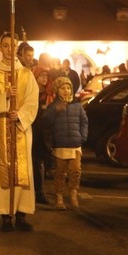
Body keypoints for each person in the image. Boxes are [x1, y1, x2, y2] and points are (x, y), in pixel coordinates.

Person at [0, 32, 38, 232]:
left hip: (20, 127)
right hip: (0, 125)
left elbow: (32, 100)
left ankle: (21, 213)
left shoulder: (26, 74)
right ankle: (5, 214)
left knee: (22, 171)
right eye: (5, 45)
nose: (9, 49)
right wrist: (5, 97)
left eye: (13, 45)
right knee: (2, 171)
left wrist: (20, 115)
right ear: (0, 47)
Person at [43, 77, 88, 210]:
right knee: (60, 173)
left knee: (75, 171)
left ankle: (73, 193)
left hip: (75, 144)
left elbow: (84, 121)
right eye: (63, 88)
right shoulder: (52, 106)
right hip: (60, 145)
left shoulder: (77, 105)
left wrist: (82, 136)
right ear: (57, 90)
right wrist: (54, 110)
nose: (66, 91)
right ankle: (59, 196)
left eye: (68, 88)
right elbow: (46, 123)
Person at [31, 66, 52, 204]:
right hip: (33, 130)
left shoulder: (49, 94)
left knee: (41, 163)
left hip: (45, 132)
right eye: (42, 75)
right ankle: (36, 191)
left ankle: (39, 191)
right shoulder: (31, 92)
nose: (45, 78)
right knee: (35, 162)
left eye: (46, 76)